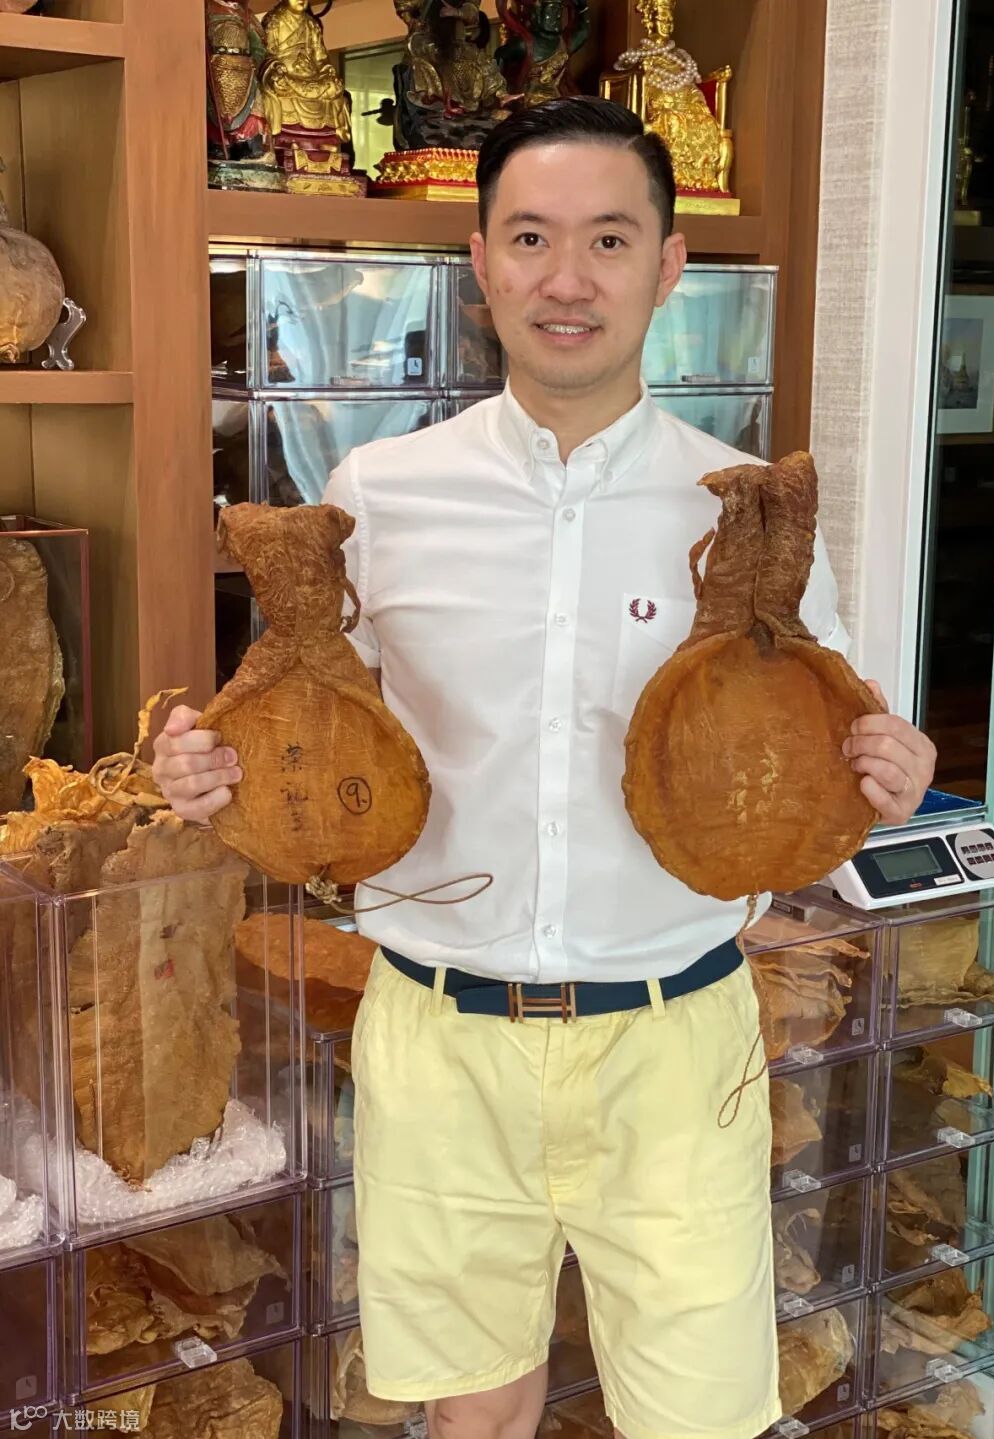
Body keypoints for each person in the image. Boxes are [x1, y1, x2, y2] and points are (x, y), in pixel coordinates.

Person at [154, 98, 937, 1439]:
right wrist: (210, 771)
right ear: (481, 263)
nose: (567, 278)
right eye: (530, 238)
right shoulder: (382, 491)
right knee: (474, 1412)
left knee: (697, 1418)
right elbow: (309, 736)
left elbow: (823, 739)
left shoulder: (749, 507)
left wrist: (889, 767)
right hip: (440, 1036)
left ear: (668, 266)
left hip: (674, 1038)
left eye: (609, 240)